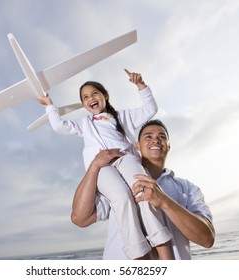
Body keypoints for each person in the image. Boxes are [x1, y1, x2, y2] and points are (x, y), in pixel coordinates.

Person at [37, 69, 173, 260]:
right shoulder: (84, 124)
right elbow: (60, 126)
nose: (90, 98)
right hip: (103, 167)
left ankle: (164, 252)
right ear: (84, 104)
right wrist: (50, 105)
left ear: (104, 96)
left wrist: (141, 86)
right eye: (85, 97)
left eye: (94, 93)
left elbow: (149, 109)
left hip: (125, 159)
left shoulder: (121, 117)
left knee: (142, 192)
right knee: (121, 197)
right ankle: (139, 256)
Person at [71, 119, 215, 259]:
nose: (156, 140)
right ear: (137, 146)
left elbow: (207, 239)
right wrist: (94, 166)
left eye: (162, 137)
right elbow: (80, 218)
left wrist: (164, 201)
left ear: (169, 146)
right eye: (148, 136)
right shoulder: (118, 182)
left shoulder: (187, 189)